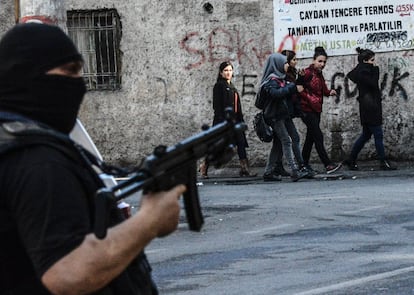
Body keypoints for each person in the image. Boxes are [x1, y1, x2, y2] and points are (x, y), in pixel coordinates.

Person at [0, 23, 186, 294]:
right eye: (70, 71)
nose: (80, 85)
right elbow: (67, 273)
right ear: (27, 75)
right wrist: (149, 221)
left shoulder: (17, 143)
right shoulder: (37, 161)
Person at [199, 61, 256, 178]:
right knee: (218, 145)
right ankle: (204, 166)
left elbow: (237, 106)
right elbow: (217, 106)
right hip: (223, 122)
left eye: (230, 70)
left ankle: (244, 168)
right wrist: (223, 122)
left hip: (235, 122)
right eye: (225, 70)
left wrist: (240, 120)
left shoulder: (232, 87)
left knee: (240, 143)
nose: (228, 73)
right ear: (221, 73)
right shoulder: (219, 86)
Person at [343, 47, 396, 171]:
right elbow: (373, 83)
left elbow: (352, 74)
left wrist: (366, 65)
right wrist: (376, 70)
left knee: (366, 135)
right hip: (371, 108)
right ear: (366, 61)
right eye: (372, 60)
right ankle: (383, 162)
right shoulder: (364, 72)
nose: (374, 63)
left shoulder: (361, 70)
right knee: (378, 134)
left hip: (367, 107)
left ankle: (351, 159)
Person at [259, 53, 309, 182]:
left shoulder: (281, 79)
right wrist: (292, 87)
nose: (287, 65)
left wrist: (300, 79)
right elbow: (276, 94)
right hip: (275, 116)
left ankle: (268, 172)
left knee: (282, 142)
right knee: (286, 141)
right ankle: (294, 171)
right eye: (284, 63)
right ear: (277, 65)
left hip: (284, 115)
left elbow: (292, 88)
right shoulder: (270, 81)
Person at [299, 46, 342, 174]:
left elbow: (323, 89)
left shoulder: (319, 74)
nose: (322, 64)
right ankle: (327, 164)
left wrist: (330, 92)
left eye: (324, 62)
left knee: (310, 138)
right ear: (313, 60)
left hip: (316, 109)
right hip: (306, 109)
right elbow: (298, 88)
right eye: (320, 61)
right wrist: (309, 98)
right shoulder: (306, 73)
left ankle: (303, 164)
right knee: (318, 136)